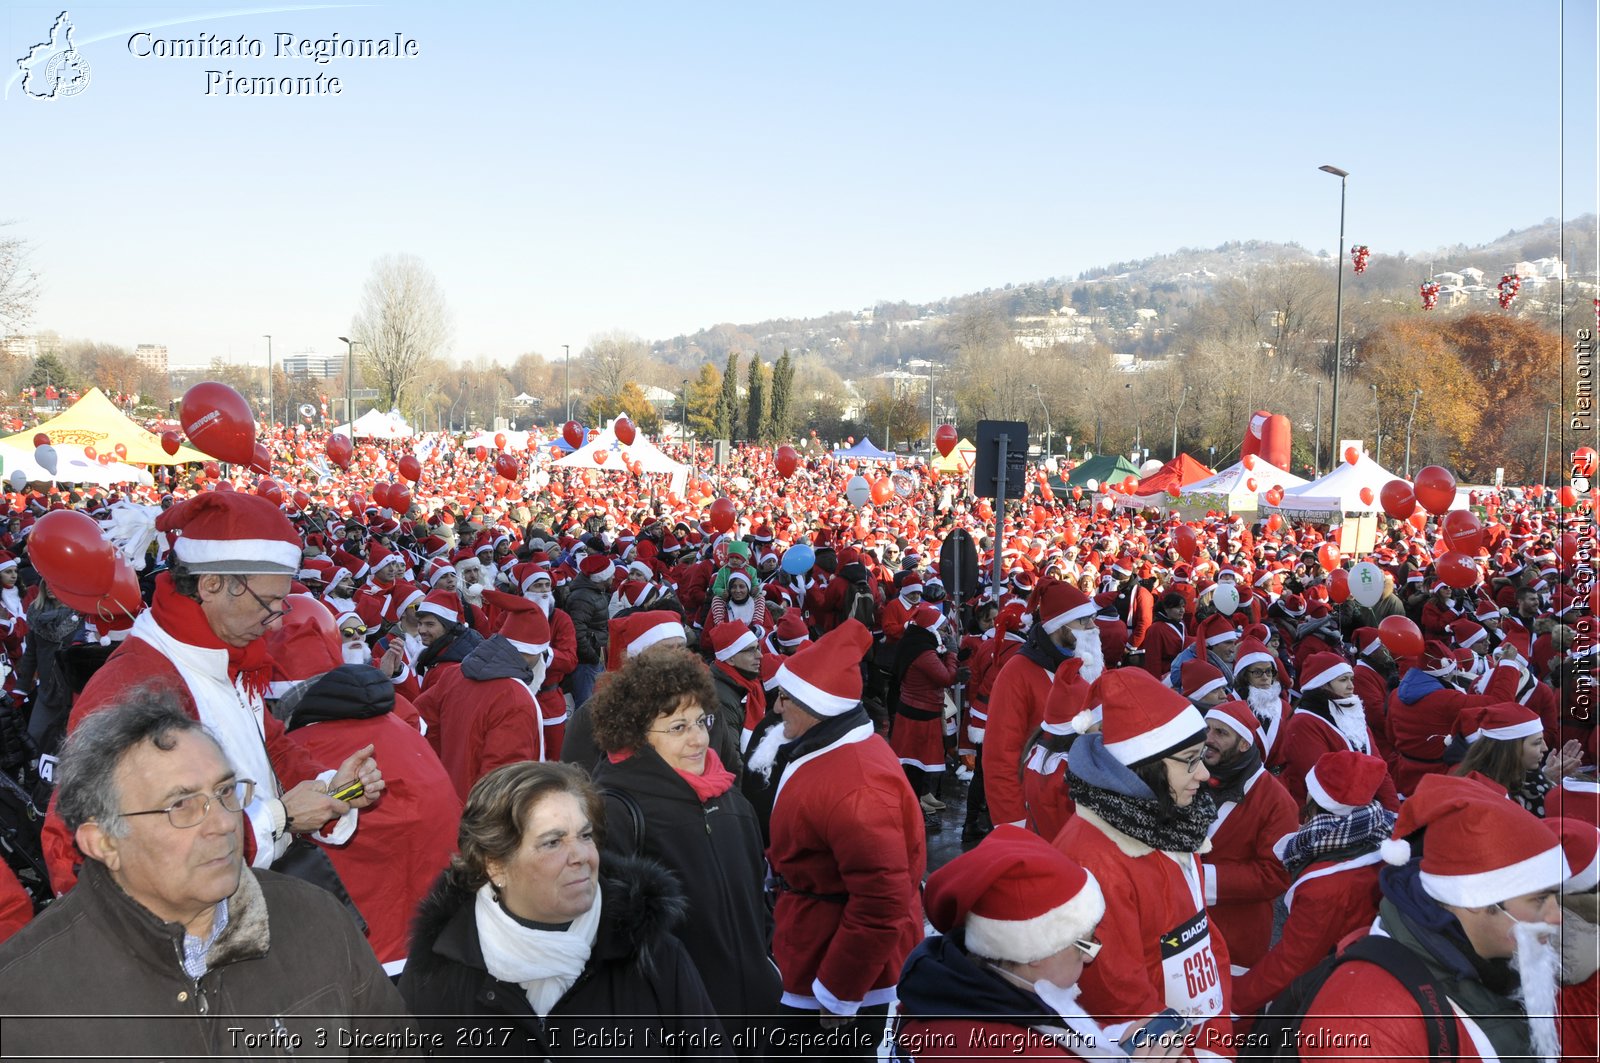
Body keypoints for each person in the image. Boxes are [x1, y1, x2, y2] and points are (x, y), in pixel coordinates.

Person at [0, 692, 414, 1055]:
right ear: (103, 841)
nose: (222, 823)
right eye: (180, 804)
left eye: (224, 792)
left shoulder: (315, 920)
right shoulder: (24, 997)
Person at [43, 492, 384, 894]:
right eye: (270, 602)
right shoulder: (141, 683)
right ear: (212, 584)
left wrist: (329, 788)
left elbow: (268, 748)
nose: (276, 624)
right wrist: (280, 818)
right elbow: (111, 843)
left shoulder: (231, 655)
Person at [401, 761, 727, 1058]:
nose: (581, 855)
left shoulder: (653, 955)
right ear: (496, 865)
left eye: (585, 835)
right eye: (553, 842)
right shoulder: (437, 971)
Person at [746, 619, 925, 1060]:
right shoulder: (828, 747)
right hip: (811, 936)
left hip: (834, 964)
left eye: (786, 698)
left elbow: (882, 901)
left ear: (816, 705)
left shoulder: (859, 788)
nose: (777, 705)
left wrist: (839, 990)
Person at [1300, 773, 1570, 1061]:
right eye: (1540, 899)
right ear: (1476, 899)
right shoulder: (1369, 1018)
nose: (1557, 917)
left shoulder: (1499, 956)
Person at [586, 647, 781, 1036]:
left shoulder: (731, 801)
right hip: (681, 1024)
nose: (697, 740)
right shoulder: (617, 813)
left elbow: (758, 902)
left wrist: (766, 967)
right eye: (677, 727)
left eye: (700, 721)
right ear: (637, 734)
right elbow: (606, 941)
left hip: (755, 1017)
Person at [1051, 668, 1235, 1058]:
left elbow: (1202, 935)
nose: (1204, 774)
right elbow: (1120, 998)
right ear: (1142, 767)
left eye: (1201, 757)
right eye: (1188, 760)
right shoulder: (1093, 861)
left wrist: (1218, 1038)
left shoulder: (1175, 820)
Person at [895, 825, 1184, 1060]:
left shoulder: (951, 989)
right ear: (1033, 952)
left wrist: (1109, 1038)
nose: (1089, 957)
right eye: (1084, 944)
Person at [1230, 751, 1393, 1017]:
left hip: (1332, 990)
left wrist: (1234, 1000)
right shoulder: (1378, 827)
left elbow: (1292, 963)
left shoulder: (1325, 887)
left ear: (1314, 798)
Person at [986, 580, 1101, 829]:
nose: (1093, 627)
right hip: (1038, 813)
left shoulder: (1085, 664)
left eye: (1092, 619)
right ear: (1058, 626)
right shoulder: (1017, 673)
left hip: (1080, 812)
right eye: (1083, 621)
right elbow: (1000, 756)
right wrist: (1013, 824)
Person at [414, 597, 554, 798]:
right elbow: (503, 780)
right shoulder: (515, 699)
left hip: (447, 800)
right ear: (533, 654)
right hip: (480, 818)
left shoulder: (454, 674)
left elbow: (420, 726)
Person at [1197, 700, 1296, 970]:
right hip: (1181, 927)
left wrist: (1200, 878)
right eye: (1207, 729)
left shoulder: (1277, 802)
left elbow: (1275, 875)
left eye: (1221, 733)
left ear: (1244, 745)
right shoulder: (1191, 774)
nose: (1209, 739)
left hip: (1235, 938)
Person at [1271, 652, 1399, 811]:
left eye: (1351, 679)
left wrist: (1394, 812)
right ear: (1322, 684)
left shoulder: (1353, 713)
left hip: (1362, 807)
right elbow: (1323, 780)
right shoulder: (1303, 723)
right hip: (1324, 814)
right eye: (1343, 680)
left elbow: (1380, 769)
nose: (1351, 686)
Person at [1449, 702, 1585, 818]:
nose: (1545, 748)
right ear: (1511, 749)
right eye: (1537, 742)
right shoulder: (1481, 792)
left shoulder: (1517, 779)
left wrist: (1545, 777)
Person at [891, 604, 960, 825]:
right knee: (915, 765)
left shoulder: (917, 643)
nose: (943, 633)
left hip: (916, 711)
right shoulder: (923, 652)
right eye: (941, 629)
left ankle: (918, 800)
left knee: (918, 765)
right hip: (919, 714)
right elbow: (945, 677)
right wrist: (952, 655)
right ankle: (912, 811)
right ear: (930, 628)